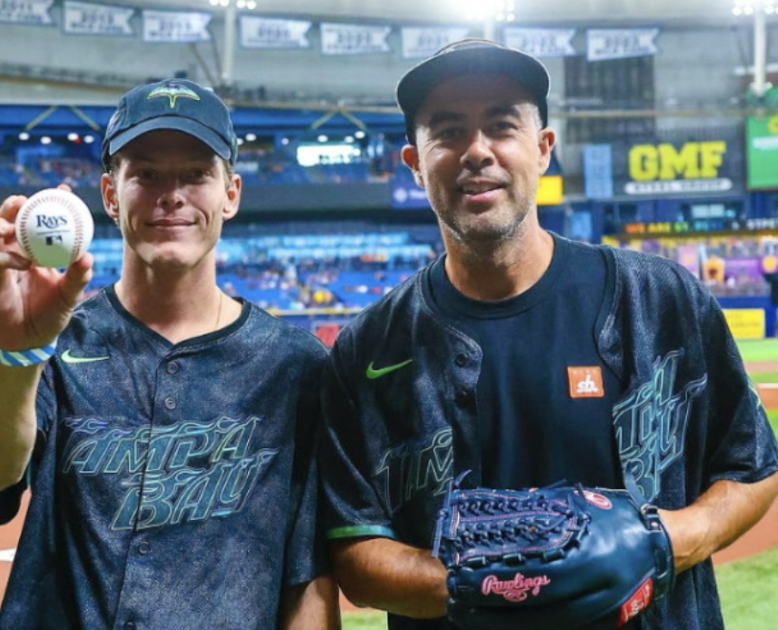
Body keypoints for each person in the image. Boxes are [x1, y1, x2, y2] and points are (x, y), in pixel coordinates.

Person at [318, 38, 778, 630]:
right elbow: (354, 551)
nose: (477, 151)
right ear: (414, 161)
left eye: (502, 126)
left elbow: (752, 470)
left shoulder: (660, 298)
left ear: (542, 149)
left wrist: (661, 543)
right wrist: (481, 584)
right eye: (448, 131)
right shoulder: (367, 349)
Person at [0, 78, 340, 629]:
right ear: (111, 196)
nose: (172, 194)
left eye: (196, 173)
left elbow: (307, 573)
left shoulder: (295, 365)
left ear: (231, 193)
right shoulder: (59, 337)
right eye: (146, 174)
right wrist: (18, 353)